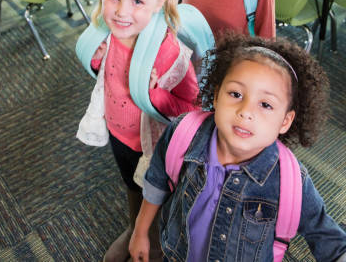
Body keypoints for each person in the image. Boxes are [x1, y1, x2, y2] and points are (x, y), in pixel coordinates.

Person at [129, 32, 346, 262]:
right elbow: (157, 181)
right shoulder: (183, 133)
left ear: (285, 121)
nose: (245, 111)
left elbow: (327, 238)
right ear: (216, 97)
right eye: (236, 94)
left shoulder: (291, 182)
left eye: (265, 104)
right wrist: (140, 231)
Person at [76, 0, 202, 262]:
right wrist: (97, 61)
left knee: (158, 191)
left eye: (137, 2)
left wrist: (157, 93)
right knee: (131, 183)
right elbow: (106, 74)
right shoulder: (107, 34)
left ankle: (156, 240)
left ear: (159, 1)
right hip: (119, 133)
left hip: (153, 142)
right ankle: (136, 228)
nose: (122, 12)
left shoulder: (166, 50)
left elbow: (193, 107)